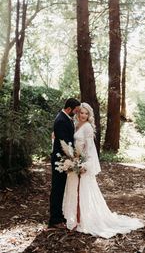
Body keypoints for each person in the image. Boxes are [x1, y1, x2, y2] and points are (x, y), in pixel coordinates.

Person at [62, 102, 144, 238]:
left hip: (82, 164)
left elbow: (90, 149)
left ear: (89, 115)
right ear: (77, 113)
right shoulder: (75, 125)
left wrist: (85, 165)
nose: (83, 115)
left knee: (83, 192)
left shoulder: (87, 127)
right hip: (74, 160)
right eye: (81, 112)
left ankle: (84, 219)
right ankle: (74, 218)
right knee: (74, 191)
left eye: (86, 113)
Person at [48, 97, 81, 228]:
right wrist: (73, 157)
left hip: (63, 159)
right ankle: (55, 219)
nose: (77, 113)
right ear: (69, 109)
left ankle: (59, 216)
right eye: (76, 110)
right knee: (57, 189)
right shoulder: (61, 120)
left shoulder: (64, 117)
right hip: (59, 160)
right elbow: (65, 143)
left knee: (60, 188)